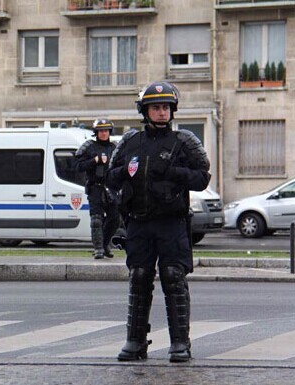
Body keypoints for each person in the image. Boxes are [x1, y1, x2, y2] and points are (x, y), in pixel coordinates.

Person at [107, 82, 210, 363]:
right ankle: (135, 341)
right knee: (139, 278)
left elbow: (202, 178)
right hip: (139, 222)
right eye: (156, 107)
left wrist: (175, 172)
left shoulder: (185, 141)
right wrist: (125, 176)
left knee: (173, 278)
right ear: (145, 111)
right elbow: (111, 176)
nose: (162, 112)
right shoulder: (130, 141)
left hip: (171, 223)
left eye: (166, 107)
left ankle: (180, 343)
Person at [75, 118, 120, 259]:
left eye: (106, 130)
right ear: (96, 132)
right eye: (101, 131)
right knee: (96, 219)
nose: (104, 133)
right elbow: (78, 167)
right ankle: (98, 248)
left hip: (111, 188)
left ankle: (105, 244)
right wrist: (94, 161)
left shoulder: (114, 148)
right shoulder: (89, 147)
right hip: (95, 188)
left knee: (115, 219)